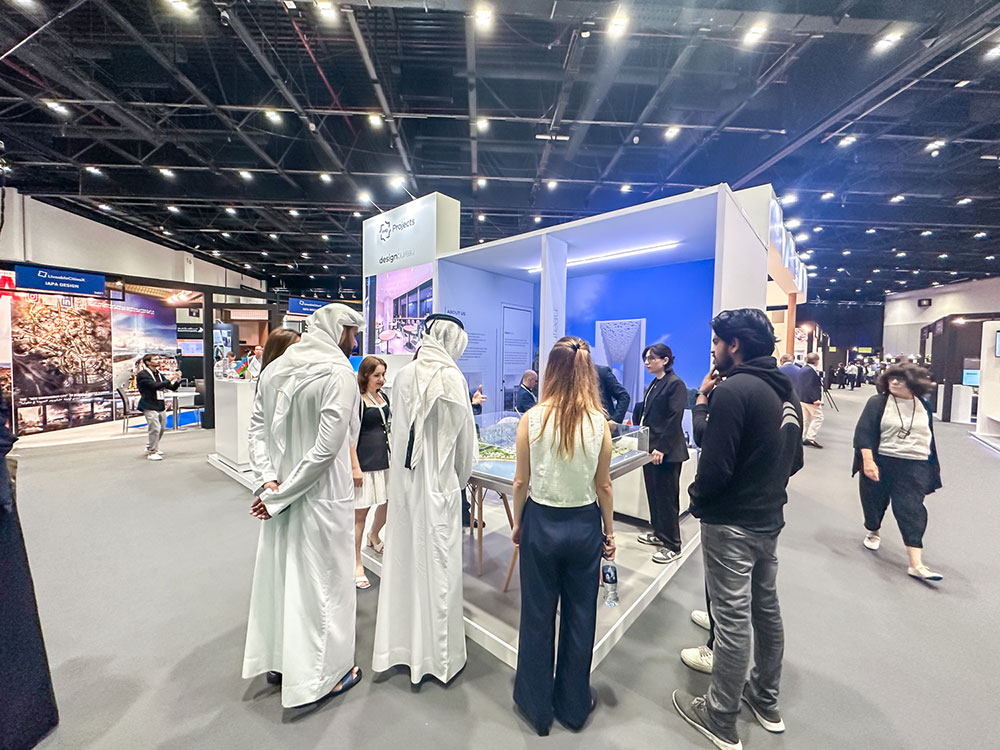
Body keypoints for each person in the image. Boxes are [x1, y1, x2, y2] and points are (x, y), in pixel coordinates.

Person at [673, 308, 803, 750]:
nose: (712, 349)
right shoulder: (785, 391)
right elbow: (795, 460)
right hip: (768, 519)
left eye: (717, 342)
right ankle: (765, 699)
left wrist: (698, 501)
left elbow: (715, 465)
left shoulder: (735, 390)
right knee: (765, 612)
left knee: (731, 621)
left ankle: (721, 716)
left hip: (731, 523)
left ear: (735, 345)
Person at [242, 304, 364, 708]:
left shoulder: (276, 368)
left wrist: (269, 482)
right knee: (325, 588)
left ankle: (281, 661)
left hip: (281, 493)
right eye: (352, 333)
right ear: (340, 330)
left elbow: (256, 430)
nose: (355, 342)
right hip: (320, 497)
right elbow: (327, 450)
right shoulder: (337, 373)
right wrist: (278, 494)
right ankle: (323, 678)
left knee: (284, 579)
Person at [510, 337, 616, 736]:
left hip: (541, 522)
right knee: (581, 615)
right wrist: (609, 531)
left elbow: (521, 481)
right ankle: (573, 705)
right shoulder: (599, 424)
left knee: (537, 615)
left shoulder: (532, 419)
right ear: (588, 373)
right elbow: (603, 485)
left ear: (550, 371)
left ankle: (536, 707)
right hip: (584, 526)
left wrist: (518, 522)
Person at [373, 313, 478, 685]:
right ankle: (438, 657)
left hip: (405, 487)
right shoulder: (451, 378)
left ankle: (401, 647)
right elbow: (465, 447)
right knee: (438, 566)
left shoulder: (403, 375)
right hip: (438, 487)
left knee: (406, 562)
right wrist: (455, 483)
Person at [853, 363, 943, 581]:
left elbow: (928, 436)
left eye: (900, 379)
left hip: (914, 464)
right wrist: (868, 461)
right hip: (882, 461)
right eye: (891, 378)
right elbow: (864, 433)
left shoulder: (923, 405)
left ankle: (916, 563)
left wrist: (930, 466)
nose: (894, 382)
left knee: (911, 509)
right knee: (874, 503)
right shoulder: (877, 402)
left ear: (913, 382)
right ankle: (873, 529)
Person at [632, 343, 689, 564]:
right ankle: (659, 533)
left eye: (651, 358)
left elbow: (674, 418)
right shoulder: (656, 383)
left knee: (667, 498)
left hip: (666, 452)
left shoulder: (675, 384)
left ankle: (673, 545)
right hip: (650, 448)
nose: (647, 362)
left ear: (665, 360)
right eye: (646, 358)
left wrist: (662, 448)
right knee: (654, 495)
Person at [350, 356, 390, 590]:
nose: (381, 379)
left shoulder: (383, 397)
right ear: (366, 375)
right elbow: (350, 435)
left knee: (388, 503)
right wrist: (355, 466)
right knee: (360, 516)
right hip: (365, 462)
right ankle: (357, 563)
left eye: (383, 374)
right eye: (377, 375)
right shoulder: (358, 401)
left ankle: (373, 535)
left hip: (385, 460)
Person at [135, 354, 180, 461]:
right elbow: (155, 386)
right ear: (148, 362)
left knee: (162, 428)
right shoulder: (142, 375)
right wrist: (171, 378)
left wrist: (177, 380)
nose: (158, 361)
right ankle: (152, 451)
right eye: (155, 359)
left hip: (159, 404)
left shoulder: (158, 374)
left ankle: (152, 446)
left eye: (158, 359)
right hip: (149, 404)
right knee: (154, 428)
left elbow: (171, 387)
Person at [800, 352, 824, 449]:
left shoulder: (803, 369)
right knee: (818, 417)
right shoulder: (810, 371)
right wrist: (815, 399)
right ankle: (810, 438)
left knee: (806, 418)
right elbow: (809, 386)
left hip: (802, 398)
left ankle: (802, 436)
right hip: (810, 399)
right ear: (816, 361)